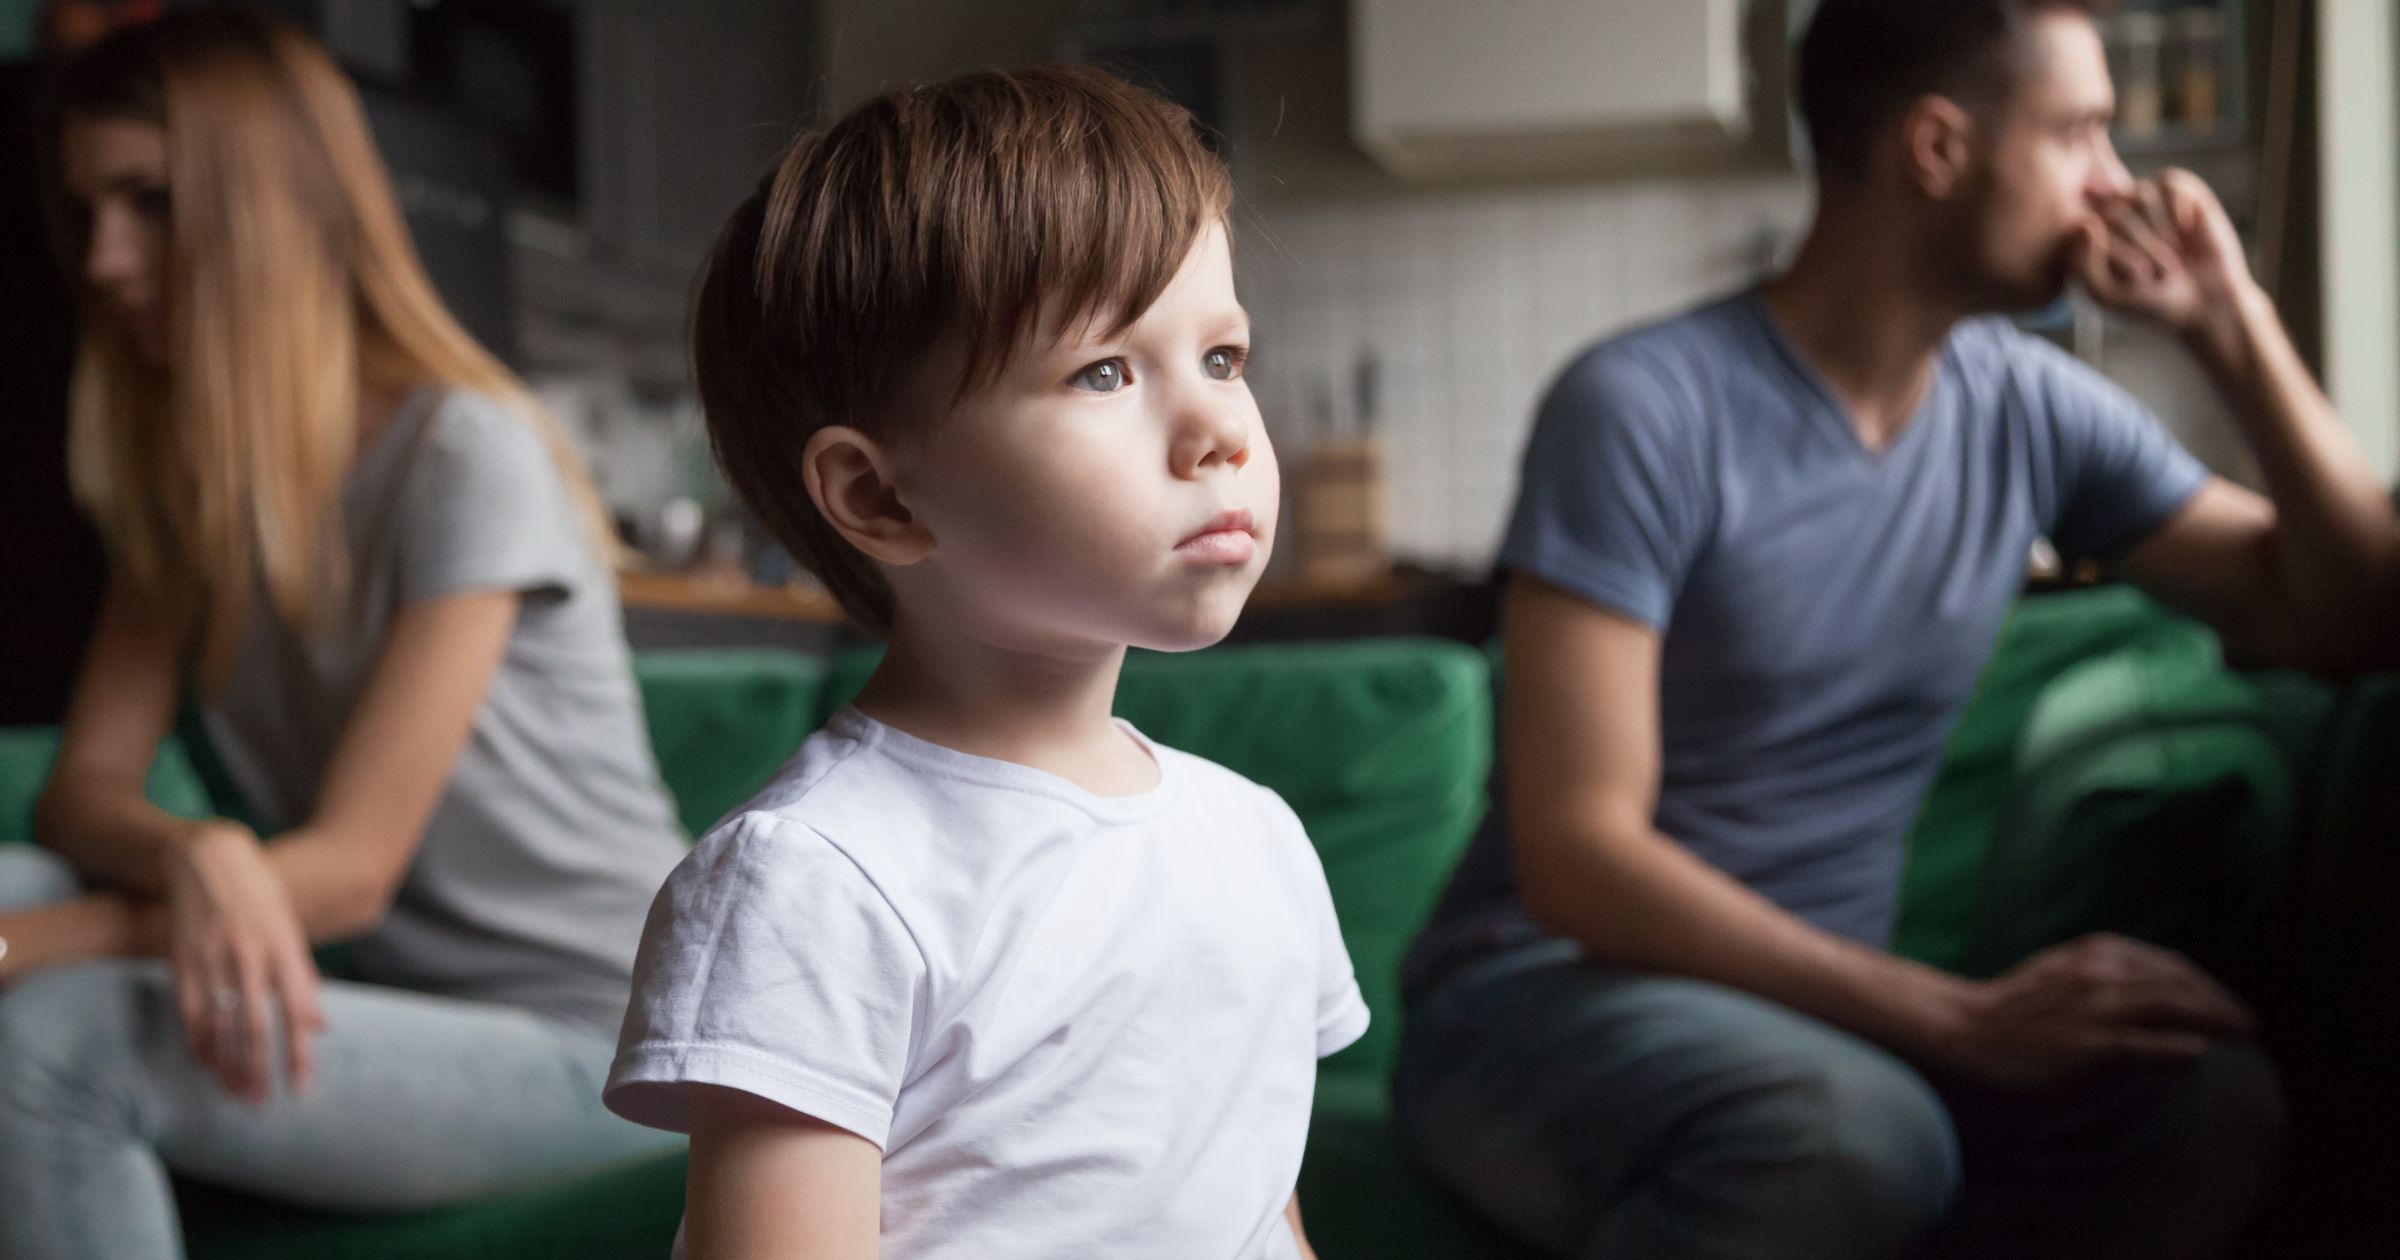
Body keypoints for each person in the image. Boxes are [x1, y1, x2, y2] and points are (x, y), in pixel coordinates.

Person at [1393, 1, 2399, 1257]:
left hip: (1822, 1031)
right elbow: (1580, 857)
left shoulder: (2033, 411)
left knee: (2201, 1109)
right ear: (1938, 148)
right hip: (1536, 998)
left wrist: (2229, 325)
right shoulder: (1642, 408)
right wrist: (1962, 1022)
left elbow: (2355, 619)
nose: (2114, 184)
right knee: (1852, 1141)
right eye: (2082, 134)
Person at [601, 65, 1367, 1260]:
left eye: (1222, 356)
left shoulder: (1255, 838)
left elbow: (1261, 1217)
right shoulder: (813, 884)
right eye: (1105, 371)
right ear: (878, 494)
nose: (1221, 430)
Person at [0, 11, 688, 1257]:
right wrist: (195, 847)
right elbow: (84, 793)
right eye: (88, 209)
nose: (100, 258)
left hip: (614, 1044)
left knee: (60, 1047)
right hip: (382, 999)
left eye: (147, 202)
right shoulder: (192, 482)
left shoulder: (464, 449)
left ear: (267, 210)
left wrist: (27, 949)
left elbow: (350, 867)